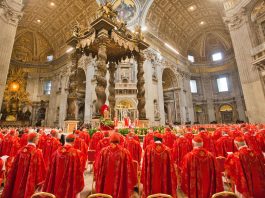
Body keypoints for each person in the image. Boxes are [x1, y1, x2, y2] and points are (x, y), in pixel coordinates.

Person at [2, 132, 47, 198]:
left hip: (18, 179)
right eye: (38, 139)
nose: (38, 140)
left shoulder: (20, 151)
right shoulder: (37, 153)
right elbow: (41, 171)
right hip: (30, 181)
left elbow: (13, 168)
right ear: (35, 139)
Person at [94, 133, 137, 198]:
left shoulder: (103, 152)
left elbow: (97, 166)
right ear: (119, 141)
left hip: (106, 182)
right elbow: (130, 170)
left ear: (110, 140)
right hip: (120, 183)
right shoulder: (125, 152)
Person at [43, 134, 85, 198]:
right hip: (69, 182)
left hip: (57, 181)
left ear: (65, 140)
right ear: (74, 141)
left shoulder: (56, 152)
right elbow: (78, 171)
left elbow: (50, 170)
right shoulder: (75, 153)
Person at [141, 133, 177, 198]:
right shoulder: (167, 150)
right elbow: (171, 168)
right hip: (164, 178)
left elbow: (144, 166)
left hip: (151, 177)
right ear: (162, 140)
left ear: (154, 139)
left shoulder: (148, 149)